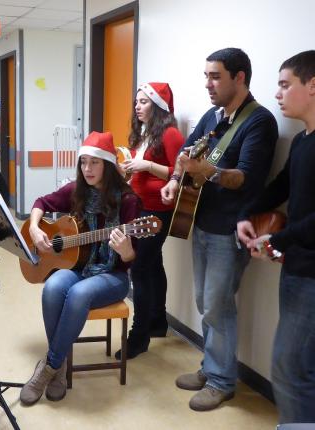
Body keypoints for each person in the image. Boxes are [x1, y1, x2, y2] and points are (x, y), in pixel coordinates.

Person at [160, 48, 278, 411]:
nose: (208, 84)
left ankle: (223, 381)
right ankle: (210, 367)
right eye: (206, 76)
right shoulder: (213, 116)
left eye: (216, 77)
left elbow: (246, 177)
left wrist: (205, 172)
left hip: (231, 229)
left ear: (239, 78)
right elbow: (185, 153)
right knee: (204, 302)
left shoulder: (259, 121)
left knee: (217, 305)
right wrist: (176, 179)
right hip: (201, 222)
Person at [19, 131, 140, 406]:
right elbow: (41, 203)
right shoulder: (77, 191)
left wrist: (125, 250)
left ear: (108, 165)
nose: (87, 169)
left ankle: (48, 368)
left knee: (78, 295)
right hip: (80, 266)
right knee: (52, 286)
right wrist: (36, 228)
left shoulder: (129, 201)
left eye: (94, 163)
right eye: (83, 162)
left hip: (113, 275)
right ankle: (59, 367)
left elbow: (132, 258)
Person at [237, 50, 315, 424]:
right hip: (297, 268)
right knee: (301, 368)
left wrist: (276, 241)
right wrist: (243, 215)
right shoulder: (302, 141)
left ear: (313, 85)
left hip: (311, 275)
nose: (278, 93)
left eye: (286, 84)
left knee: (289, 369)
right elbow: (279, 187)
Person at [115, 83, 184, 360]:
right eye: (136, 102)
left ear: (158, 105)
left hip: (157, 211)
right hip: (139, 207)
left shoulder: (170, 133)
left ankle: (139, 336)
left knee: (140, 269)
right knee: (153, 265)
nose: (137, 106)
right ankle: (157, 322)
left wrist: (146, 166)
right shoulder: (144, 133)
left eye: (143, 102)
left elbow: (180, 173)